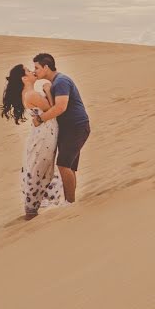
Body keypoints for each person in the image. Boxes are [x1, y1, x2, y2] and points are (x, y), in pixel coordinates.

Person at [0, 64, 65, 220]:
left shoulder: (27, 93)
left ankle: (33, 208)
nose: (32, 71)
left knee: (39, 168)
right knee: (39, 169)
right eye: (29, 71)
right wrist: (48, 90)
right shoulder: (31, 94)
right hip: (44, 135)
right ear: (24, 78)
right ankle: (32, 210)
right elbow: (51, 108)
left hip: (43, 133)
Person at [31, 53, 91, 204]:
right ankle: (70, 201)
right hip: (69, 128)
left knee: (63, 165)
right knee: (69, 166)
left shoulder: (61, 81)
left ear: (46, 67)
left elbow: (61, 107)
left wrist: (40, 119)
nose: (34, 71)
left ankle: (70, 204)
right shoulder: (56, 83)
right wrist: (48, 91)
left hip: (76, 127)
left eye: (37, 67)